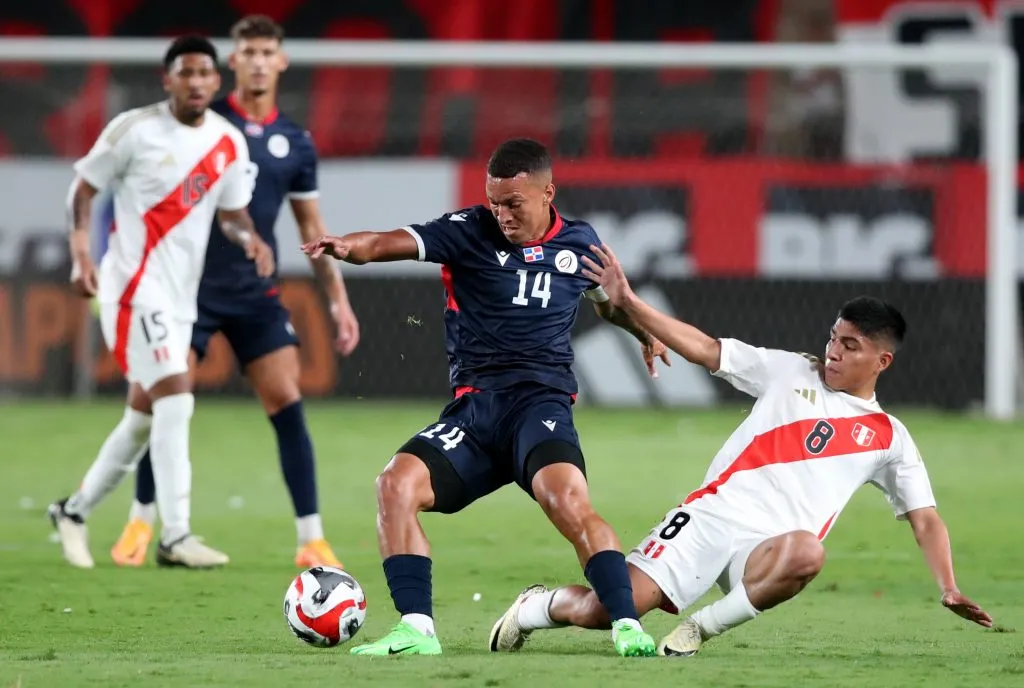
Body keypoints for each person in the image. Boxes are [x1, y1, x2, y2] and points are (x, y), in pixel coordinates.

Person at [488, 244, 994, 656]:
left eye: (851, 346)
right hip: (711, 517)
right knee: (607, 610)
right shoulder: (790, 370)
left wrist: (947, 585)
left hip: (765, 552)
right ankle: (536, 606)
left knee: (809, 553)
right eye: (834, 338)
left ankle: (697, 631)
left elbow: (925, 518)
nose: (834, 351)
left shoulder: (890, 436)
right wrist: (631, 304)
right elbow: (707, 349)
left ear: (882, 360)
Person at [301, 138, 671, 657]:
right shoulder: (468, 231)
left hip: (539, 408)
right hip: (475, 414)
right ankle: (416, 631)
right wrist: (348, 247)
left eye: (513, 203)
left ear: (548, 193)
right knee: (395, 484)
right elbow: (389, 242)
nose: (501, 214)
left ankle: (627, 626)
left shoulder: (582, 244)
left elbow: (608, 304)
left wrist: (641, 332)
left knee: (569, 502)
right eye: (494, 201)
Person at [109, 15, 360, 571]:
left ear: (281, 61)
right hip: (185, 289)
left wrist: (338, 301)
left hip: (252, 291)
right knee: (160, 404)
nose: (258, 60)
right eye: (248, 51)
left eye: (267, 51)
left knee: (287, 401)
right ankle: (141, 522)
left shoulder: (295, 142)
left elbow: (309, 226)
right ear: (233, 62)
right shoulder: (203, 125)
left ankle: (311, 537)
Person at [49, 35, 273, 569]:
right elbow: (82, 190)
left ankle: (72, 511)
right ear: (166, 78)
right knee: (177, 395)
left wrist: (251, 238)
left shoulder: (227, 142)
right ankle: (176, 535)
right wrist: (82, 257)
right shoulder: (135, 129)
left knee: (144, 418)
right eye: (185, 73)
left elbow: (232, 213)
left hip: (179, 297)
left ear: (217, 82)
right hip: (130, 287)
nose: (195, 82)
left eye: (204, 73)